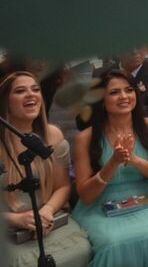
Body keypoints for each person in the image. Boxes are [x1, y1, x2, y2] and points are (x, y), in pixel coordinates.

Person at [72, 69, 148, 267]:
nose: (124, 97)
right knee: (113, 241)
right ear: (101, 101)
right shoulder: (85, 138)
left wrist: (135, 160)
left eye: (129, 90)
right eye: (114, 92)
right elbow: (86, 195)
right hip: (99, 204)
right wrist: (112, 162)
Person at [0, 72, 91, 267]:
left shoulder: (53, 135)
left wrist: (47, 212)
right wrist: (16, 219)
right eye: (20, 91)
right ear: (6, 101)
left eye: (35, 89)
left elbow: (62, 186)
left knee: (81, 249)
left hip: (48, 217)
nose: (30, 95)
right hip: (8, 228)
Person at [95, 48, 148, 132]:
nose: (134, 51)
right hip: (109, 132)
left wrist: (125, 107)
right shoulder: (100, 75)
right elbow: (86, 120)